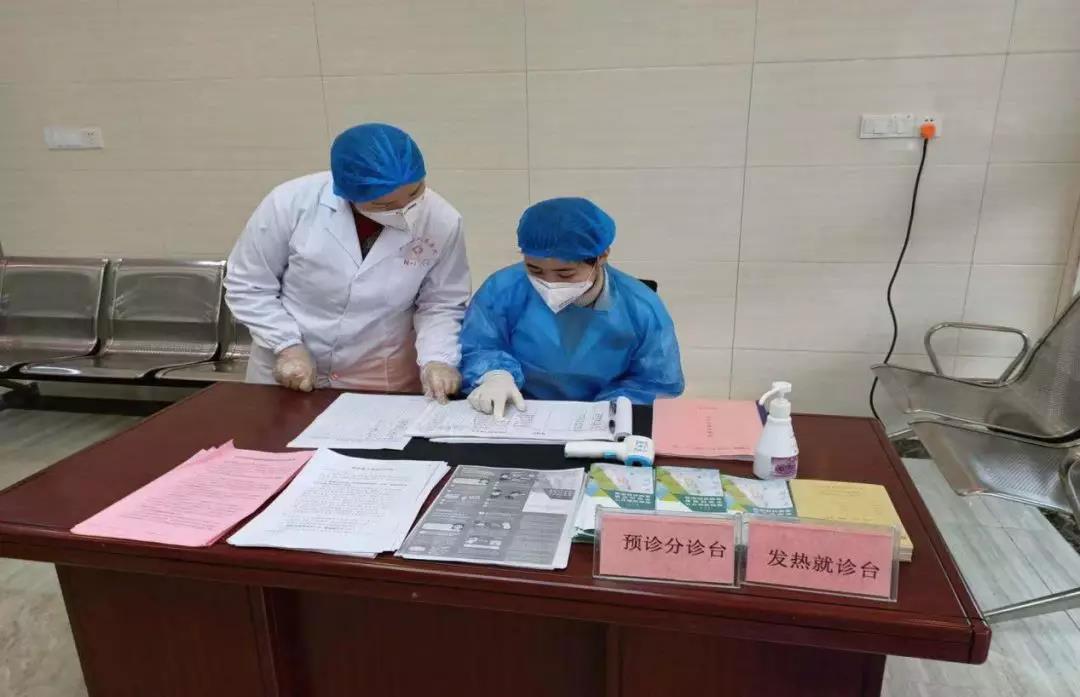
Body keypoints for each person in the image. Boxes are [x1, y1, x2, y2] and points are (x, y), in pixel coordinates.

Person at [225, 123, 469, 401]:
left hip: (378, 375)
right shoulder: (290, 203)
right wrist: (287, 346)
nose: (403, 210)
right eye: (384, 205)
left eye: (415, 193)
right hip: (287, 369)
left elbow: (441, 303)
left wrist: (438, 359)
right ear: (347, 193)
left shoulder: (442, 220)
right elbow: (249, 285)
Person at [460, 197, 684, 418]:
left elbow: (654, 383)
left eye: (565, 274)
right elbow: (478, 345)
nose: (549, 283)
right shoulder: (502, 290)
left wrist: (607, 410)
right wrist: (495, 375)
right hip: (518, 408)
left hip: (601, 418)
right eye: (535, 270)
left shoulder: (641, 308)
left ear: (602, 256)